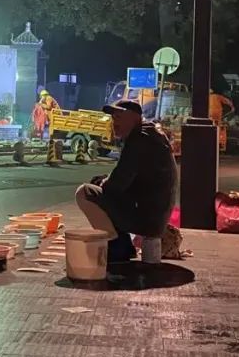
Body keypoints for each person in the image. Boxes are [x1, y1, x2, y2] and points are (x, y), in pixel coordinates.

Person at [75, 99, 177, 258]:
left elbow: (117, 183)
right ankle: (123, 245)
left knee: (85, 193)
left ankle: (117, 247)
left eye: (119, 116)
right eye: (113, 117)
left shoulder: (139, 140)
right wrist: (104, 181)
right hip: (155, 215)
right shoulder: (149, 134)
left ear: (135, 118)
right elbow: (127, 177)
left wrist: (101, 183)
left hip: (148, 219)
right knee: (104, 192)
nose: (114, 122)